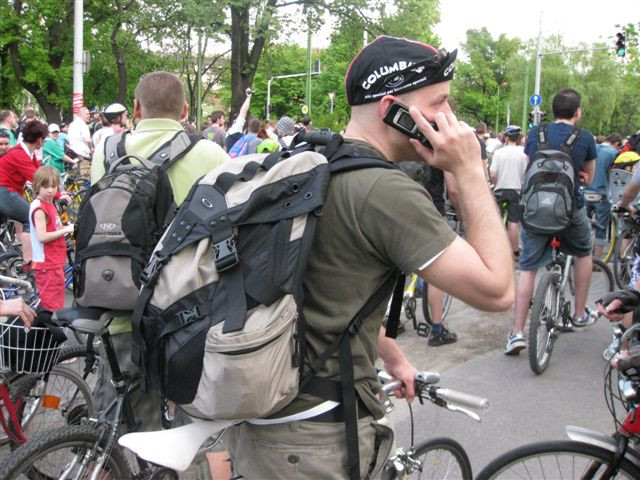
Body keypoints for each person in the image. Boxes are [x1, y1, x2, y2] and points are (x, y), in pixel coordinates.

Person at [222, 35, 514, 479]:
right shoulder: (383, 190)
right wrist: (469, 171)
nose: (450, 120)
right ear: (392, 110)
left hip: (266, 425)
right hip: (318, 441)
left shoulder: (311, 161)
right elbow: (498, 291)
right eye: (440, 103)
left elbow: (328, 291)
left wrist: (392, 355)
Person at [90, 70, 229, 423]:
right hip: (186, 316)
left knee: (118, 427)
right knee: (189, 427)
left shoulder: (107, 150)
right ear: (185, 110)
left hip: (117, 306)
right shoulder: (211, 154)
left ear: (135, 108)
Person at [506, 88, 597, 355]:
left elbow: (528, 168)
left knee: (528, 268)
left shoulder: (535, 133)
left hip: (534, 212)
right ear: (577, 112)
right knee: (583, 252)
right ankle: (580, 313)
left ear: (553, 110)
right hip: (570, 211)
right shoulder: (585, 137)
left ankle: (517, 333)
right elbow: (588, 178)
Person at [0, 120, 50, 265]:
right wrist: (59, 195)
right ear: (40, 140)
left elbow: (42, 173)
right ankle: (29, 263)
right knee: (31, 218)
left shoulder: (28, 153)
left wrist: (60, 191)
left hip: (7, 192)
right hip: (4, 192)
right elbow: (38, 180)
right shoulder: (19, 155)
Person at [29, 166, 74, 312]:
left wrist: (65, 227)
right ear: (37, 186)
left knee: (56, 303)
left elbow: (53, 228)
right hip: (48, 263)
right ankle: (51, 334)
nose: (50, 190)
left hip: (54, 260)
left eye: (53, 186)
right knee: (52, 308)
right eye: (45, 186)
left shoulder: (48, 203)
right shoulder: (40, 208)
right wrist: (66, 230)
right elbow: (42, 237)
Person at [490, 125, 527, 258]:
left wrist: (495, 183)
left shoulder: (499, 153)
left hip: (500, 189)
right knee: (513, 222)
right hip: (516, 191)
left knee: (496, 220)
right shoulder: (523, 153)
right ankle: (515, 251)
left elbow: (493, 174)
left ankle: (495, 248)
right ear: (518, 138)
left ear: (506, 137)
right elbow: (525, 174)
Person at [584, 132, 623, 259]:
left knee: (583, 225)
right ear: (617, 144)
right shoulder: (613, 154)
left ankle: (581, 256)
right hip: (602, 194)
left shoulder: (591, 148)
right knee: (601, 228)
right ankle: (597, 260)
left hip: (584, 191)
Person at [67, 107, 93, 176]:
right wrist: (92, 147)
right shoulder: (83, 125)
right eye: (87, 114)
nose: (89, 115)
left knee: (76, 177)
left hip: (73, 155)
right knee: (84, 178)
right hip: (83, 156)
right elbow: (87, 139)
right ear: (81, 115)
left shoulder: (72, 124)